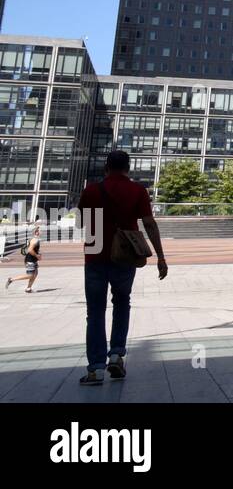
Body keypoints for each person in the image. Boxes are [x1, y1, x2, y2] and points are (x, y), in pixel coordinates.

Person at [77, 150, 168, 386]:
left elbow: (83, 223)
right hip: (125, 256)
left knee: (95, 312)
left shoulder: (91, 190)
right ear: (128, 168)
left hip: (95, 257)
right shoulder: (138, 191)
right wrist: (160, 256)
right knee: (122, 303)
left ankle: (96, 369)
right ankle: (116, 355)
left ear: (106, 168)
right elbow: (149, 223)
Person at [5, 224, 41, 293]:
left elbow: (33, 249)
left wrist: (38, 254)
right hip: (30, 260)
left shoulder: (36, 240)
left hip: (33, 259)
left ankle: (28, 289)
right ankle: (11, 279)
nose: (41, 232)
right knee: (30, 275)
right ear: (36, 232)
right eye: (40, 230)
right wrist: (37, 255)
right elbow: (30, 250)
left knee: (35, 273)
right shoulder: (34, 240)